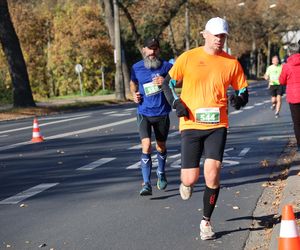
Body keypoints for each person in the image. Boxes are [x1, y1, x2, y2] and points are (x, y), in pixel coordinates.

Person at [161, 17, 248, 240]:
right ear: (205, 34)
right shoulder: (188, 58)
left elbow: (242, 91)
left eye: (223, 36)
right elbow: (166, 84)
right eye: (216, 35)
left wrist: (239, 100)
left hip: (217, 124)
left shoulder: (231, 63)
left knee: (213, 172)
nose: (219, 39)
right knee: (190, 178)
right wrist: (176, 103)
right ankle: (185, 183)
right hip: (190, 124)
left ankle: (206, 222)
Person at [130, 37, 173, 196]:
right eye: (149, 49)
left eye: (155, 49)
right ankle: (146, 183)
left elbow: (180, 81)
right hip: (144, 112)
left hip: (161, 112)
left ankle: (161, 173)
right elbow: (133, 82)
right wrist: (133, 94)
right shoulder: (136, 67)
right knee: (146, 145)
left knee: (161, 146)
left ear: (158, 50)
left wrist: (166, 81)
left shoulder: (167, 67)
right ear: (144, 50)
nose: (152, 52)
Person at [279, 41, 300, 150]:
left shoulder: (287, 66)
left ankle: (299, 145)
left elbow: (281, 81)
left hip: (294, 97)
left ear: (290, 52)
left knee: (297, 123)